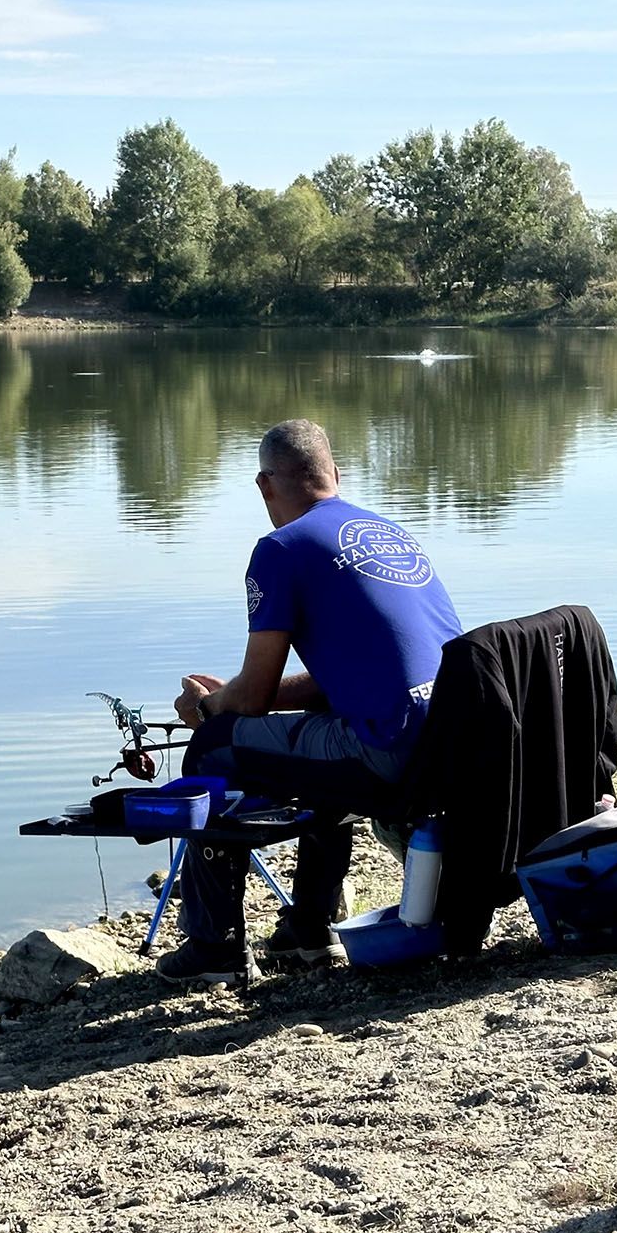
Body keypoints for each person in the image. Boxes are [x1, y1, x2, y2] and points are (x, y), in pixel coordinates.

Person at [159, 419, 463, 984]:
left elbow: (248, 702)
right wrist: (239, 696)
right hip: (451, 740)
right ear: (334, 475)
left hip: (392, 754)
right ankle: (308, 931)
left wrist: (210, 707)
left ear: (263, 485)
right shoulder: (388, 530)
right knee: (325, 732)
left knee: (211, 749)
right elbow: (342, 681)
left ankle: (211, 948)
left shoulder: (281, 549)